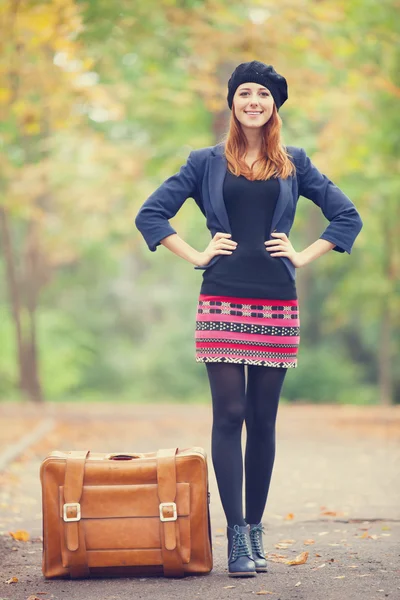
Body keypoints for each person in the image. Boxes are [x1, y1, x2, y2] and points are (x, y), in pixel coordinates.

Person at [134, 60, 363, 578]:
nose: (253, 101)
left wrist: (303, 255)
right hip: (222, 297)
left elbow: (347, 215)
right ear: (232, 102)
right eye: (244, 93)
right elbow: (151, 213)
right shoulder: (204, 162)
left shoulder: (295, 162)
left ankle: (256, 531)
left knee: (263, 419)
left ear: (274, 105)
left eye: (263, 94)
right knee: (229, 414)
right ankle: (236, 535)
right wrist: (195, 253)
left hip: (276, 299)